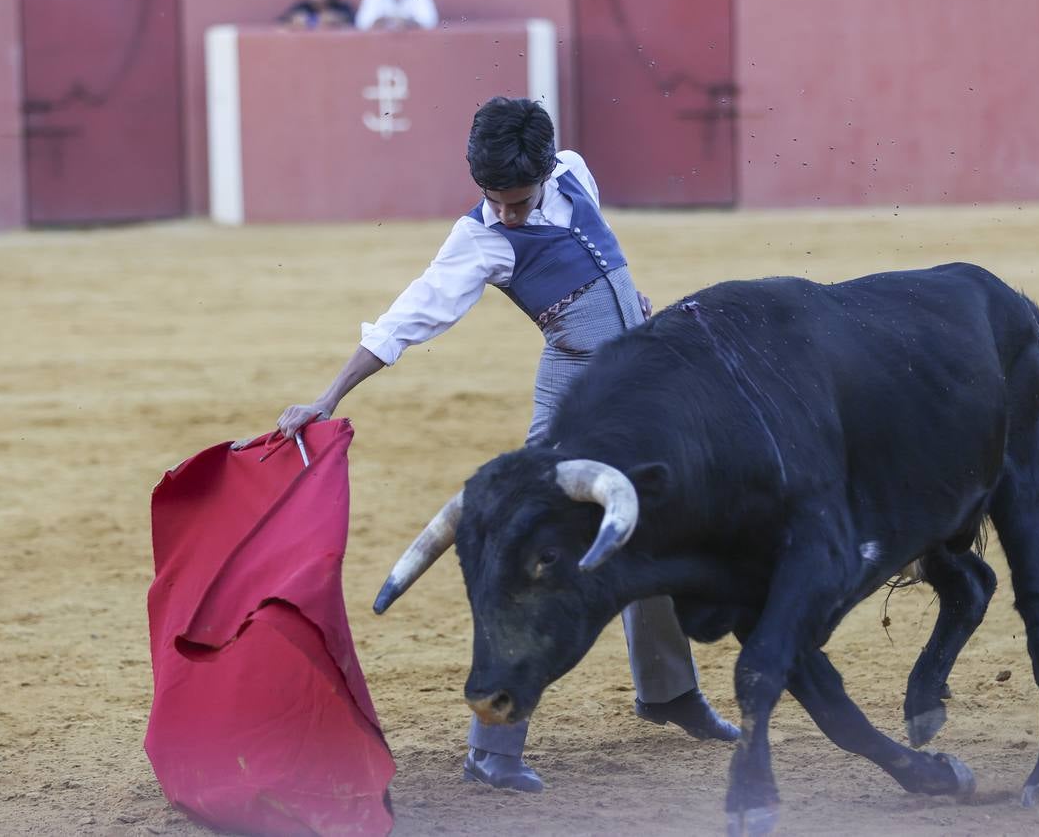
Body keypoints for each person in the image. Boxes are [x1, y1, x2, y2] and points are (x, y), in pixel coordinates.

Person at [259, 97, 738, 793]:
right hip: (574, 396)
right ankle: (493, 744)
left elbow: (603, 266)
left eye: (517, 201)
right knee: (533, 547)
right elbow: (408, 317)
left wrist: (630, 306)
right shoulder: (480, 239)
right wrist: (329, 397)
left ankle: (666, 694)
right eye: (494, 200)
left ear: (547, 169)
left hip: (640, 391)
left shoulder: (573, 172)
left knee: (647, 528)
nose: (506, 214)